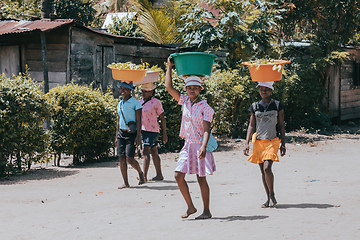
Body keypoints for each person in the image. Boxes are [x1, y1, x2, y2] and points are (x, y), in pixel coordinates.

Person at [165, 56, 216, 219]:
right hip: (187, 146)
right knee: (178, 175)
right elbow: (168, 87)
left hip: (200, 146)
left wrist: (203, 146)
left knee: (201, 180)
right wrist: (169, 67)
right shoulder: (185, 101)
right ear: (186, 89)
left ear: (200, 89)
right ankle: (190, 207)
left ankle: (206, 211)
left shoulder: (206, 107)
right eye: (189, 87)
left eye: (195, 87)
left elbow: (207, 129)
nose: (192, 90)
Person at [243, 81, 286, 208]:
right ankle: (268, 198)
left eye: (266, 89)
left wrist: (283, 144)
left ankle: (272, 194)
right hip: (258, 141)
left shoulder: (277, 105)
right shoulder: (255, 106)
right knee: (262, 171)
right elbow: (251, 125)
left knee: (267, 168)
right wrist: (246, 143)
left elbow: (281, 125)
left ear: (271, 90)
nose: (263, 91)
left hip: (272, 141)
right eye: (261, 89)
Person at [115, 82, 145, 189]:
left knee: (129, 158)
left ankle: (140, 173)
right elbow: (118, 121)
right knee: (121, 159)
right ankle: (126, 183)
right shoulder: (120, 104)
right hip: (121, 134)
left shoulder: (136, 103)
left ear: (130, 90)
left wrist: (138, 136)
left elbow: (138, 121)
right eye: (121, 89)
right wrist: (116, 137)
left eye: (125, 89)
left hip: (131, 134)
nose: (123, 91)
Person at [140, 82, 168, 181]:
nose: (144, 93)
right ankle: (159, 175)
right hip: (143, 130)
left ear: (152, 92)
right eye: (142, 91)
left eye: (146, 91)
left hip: (152, 130)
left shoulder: (156, 102)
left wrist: (164, 134)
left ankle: (143, 176)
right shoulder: (139, 102)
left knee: (145, 151)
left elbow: (162, 118)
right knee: (154, 151)